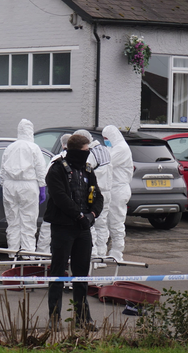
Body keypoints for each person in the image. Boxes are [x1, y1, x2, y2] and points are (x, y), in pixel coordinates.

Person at [44, 134, 103, 330]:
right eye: (87, 151)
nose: (89, 155)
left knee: (81, 275)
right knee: (58, 273)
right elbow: (60, 197)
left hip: (83, 229)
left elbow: (98, 196)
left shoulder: (88, 170)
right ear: (78, 151)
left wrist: (92, 215)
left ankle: (83, 317)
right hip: (63, 227)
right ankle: (54, 317)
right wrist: (78, 216)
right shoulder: (57, 169)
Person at [0, 119, 47, 259]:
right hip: (28, 184)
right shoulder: (33, 148)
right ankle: (27, 255)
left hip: (10, 185)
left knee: (12, 220)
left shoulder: (10, 147)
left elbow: (2, 170)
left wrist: (5, 184)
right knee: (28, 221)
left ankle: (12, 253)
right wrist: (42, 186)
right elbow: (40, 168)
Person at [73, 130, 112, 268]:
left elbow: (84, 171)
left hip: (94, 192)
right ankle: (101, 256)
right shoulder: (104, 149)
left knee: (92, 225)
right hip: (107, 192)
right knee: (103, 225)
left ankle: (93, 258)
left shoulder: (91, 154)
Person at [102, 125, 133, 262]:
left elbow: (106, 162)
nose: (105, 141)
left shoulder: (121, 148)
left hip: (119, 189)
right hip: (114, 189)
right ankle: (112, 250)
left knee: (116, 221)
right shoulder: (115, 147)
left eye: (106, 139)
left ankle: (117, 252)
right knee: (109, 221)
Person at [36, 133, 70, 254]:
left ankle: (42, 254)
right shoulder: (80, 159)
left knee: (48, 226)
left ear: (62, 144)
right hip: (72, 200)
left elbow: (47, 176)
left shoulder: (56, 160)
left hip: (56, 198)